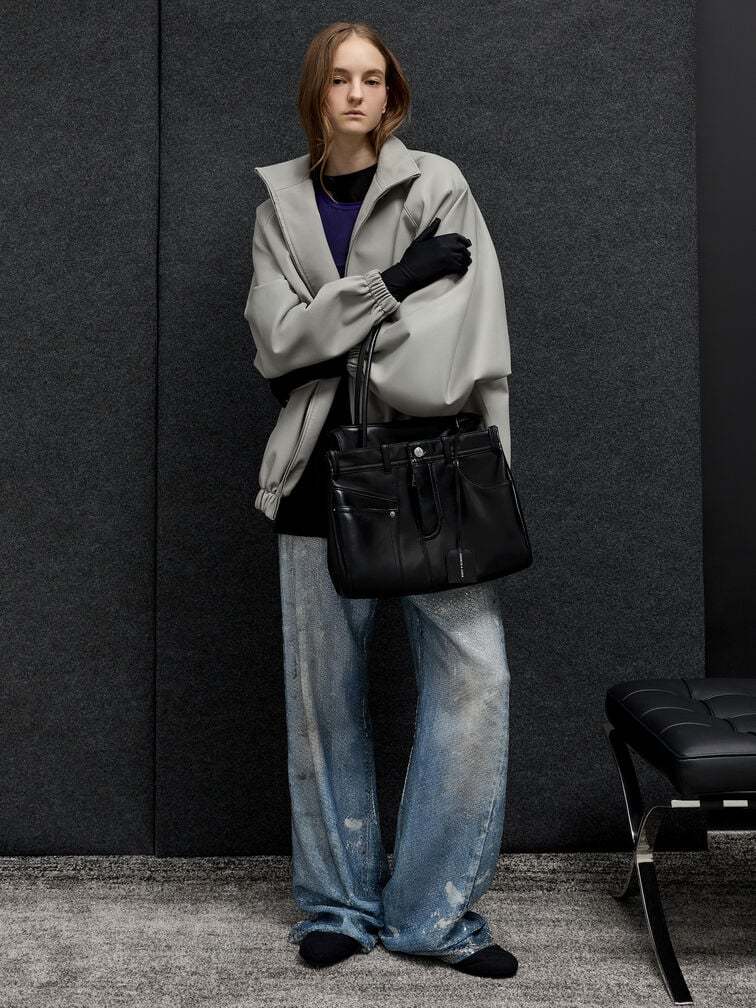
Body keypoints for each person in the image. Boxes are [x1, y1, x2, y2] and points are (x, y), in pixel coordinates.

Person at [244, 21, 518, 979]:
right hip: (316, 472)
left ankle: (433, 915)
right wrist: (398, 280)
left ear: (391, 93)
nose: (357, 94)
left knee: (475, 680)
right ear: (316, 93)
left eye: (372, 78)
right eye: (339, 79)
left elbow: (454, 345)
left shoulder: (439, 185)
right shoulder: (278, 209)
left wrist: (331, 330)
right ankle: (337, 907)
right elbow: (274, 346)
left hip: (435, 466)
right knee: (322, 701)